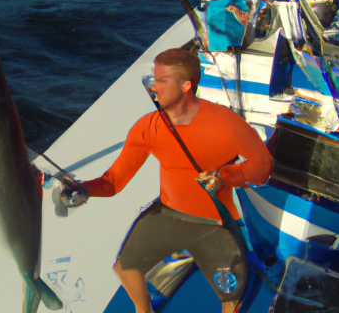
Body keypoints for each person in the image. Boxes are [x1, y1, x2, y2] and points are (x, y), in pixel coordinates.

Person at [61, 48, 273, 313]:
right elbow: (114, 181)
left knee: (232, 296)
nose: (153, 87)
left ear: (186, 85)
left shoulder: (225, 123)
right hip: (169, 213)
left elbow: (262, 167)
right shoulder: (147, 127)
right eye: (153, 79)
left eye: (161, 80)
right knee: (125, 266)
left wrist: (225, 176)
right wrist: (84, 189)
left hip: (214, 223)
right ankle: (143, 310)